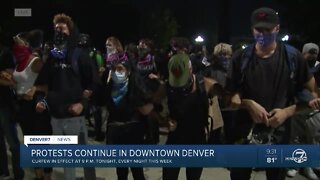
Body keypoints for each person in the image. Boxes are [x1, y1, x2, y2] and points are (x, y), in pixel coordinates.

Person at [228, 7, 320, 180]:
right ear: (252, 29)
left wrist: (287, 112)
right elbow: (229, 98)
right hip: (244, 136)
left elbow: (316, 95)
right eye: (258, 30)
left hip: (279, 136)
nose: (263, 35)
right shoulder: (240, 58)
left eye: (268, 30)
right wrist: (247, 104)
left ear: (277, 29)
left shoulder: (293, 58)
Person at [34, 13, 96, 180]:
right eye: (56, 29)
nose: (58, 32)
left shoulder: (80, 55)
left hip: (75, 117)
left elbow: (92, 84)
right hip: (56, 118)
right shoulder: (53, 57)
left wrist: (82, 104)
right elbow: (44, 85)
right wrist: (42, 101)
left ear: (71, 31)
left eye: (62, 28)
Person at [163, 51, 222, 180]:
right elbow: (155, 108)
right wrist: (164, 120)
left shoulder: (206, 85)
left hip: (197, 139)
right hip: (175, 138)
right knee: (168, 175)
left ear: (190, 70)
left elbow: (221, 112)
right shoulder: (167, 86)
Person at [104, 36, 153, 180]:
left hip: (133, 131)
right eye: (114, 69)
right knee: (121, 171)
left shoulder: (134, 85)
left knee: (137, 171)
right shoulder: (110, 84)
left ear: (128, 71)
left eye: (120, 69)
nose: (116, 72)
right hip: (117, 132)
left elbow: (147, 104)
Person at [0, 36, 24, 180]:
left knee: (13, 143)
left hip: (5, 105)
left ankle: (18, 174)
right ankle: (3, 171)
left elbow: (11, 80)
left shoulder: (6, 53)